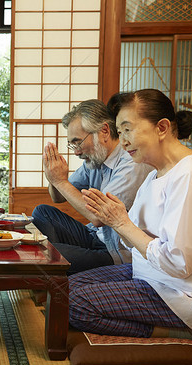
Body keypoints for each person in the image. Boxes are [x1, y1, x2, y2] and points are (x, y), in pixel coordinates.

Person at [70, 89, 192, 339]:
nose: (123, 140)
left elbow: (179, 264)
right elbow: (131, 239)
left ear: (161, 128)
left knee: (75, 305)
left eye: (128, 129)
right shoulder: (153, 175)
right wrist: (117, 221)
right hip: (149, 275)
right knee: (64, 290)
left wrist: (121, 222)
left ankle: (182, 331)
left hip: (188, 294)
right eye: (120, 131)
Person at [32, 99, 152, 274]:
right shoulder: (95, 160)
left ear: (104, 131)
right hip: (96, 236)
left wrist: (60, 181)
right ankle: (63, 269)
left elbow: (100, 218)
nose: (76, 152)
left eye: (78, 142)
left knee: (47, 254)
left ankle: (63, 270)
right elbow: (58, 197)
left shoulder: (130, 163)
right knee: (42, 212)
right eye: (72, 144)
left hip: (115, 252)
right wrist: (52, 175)